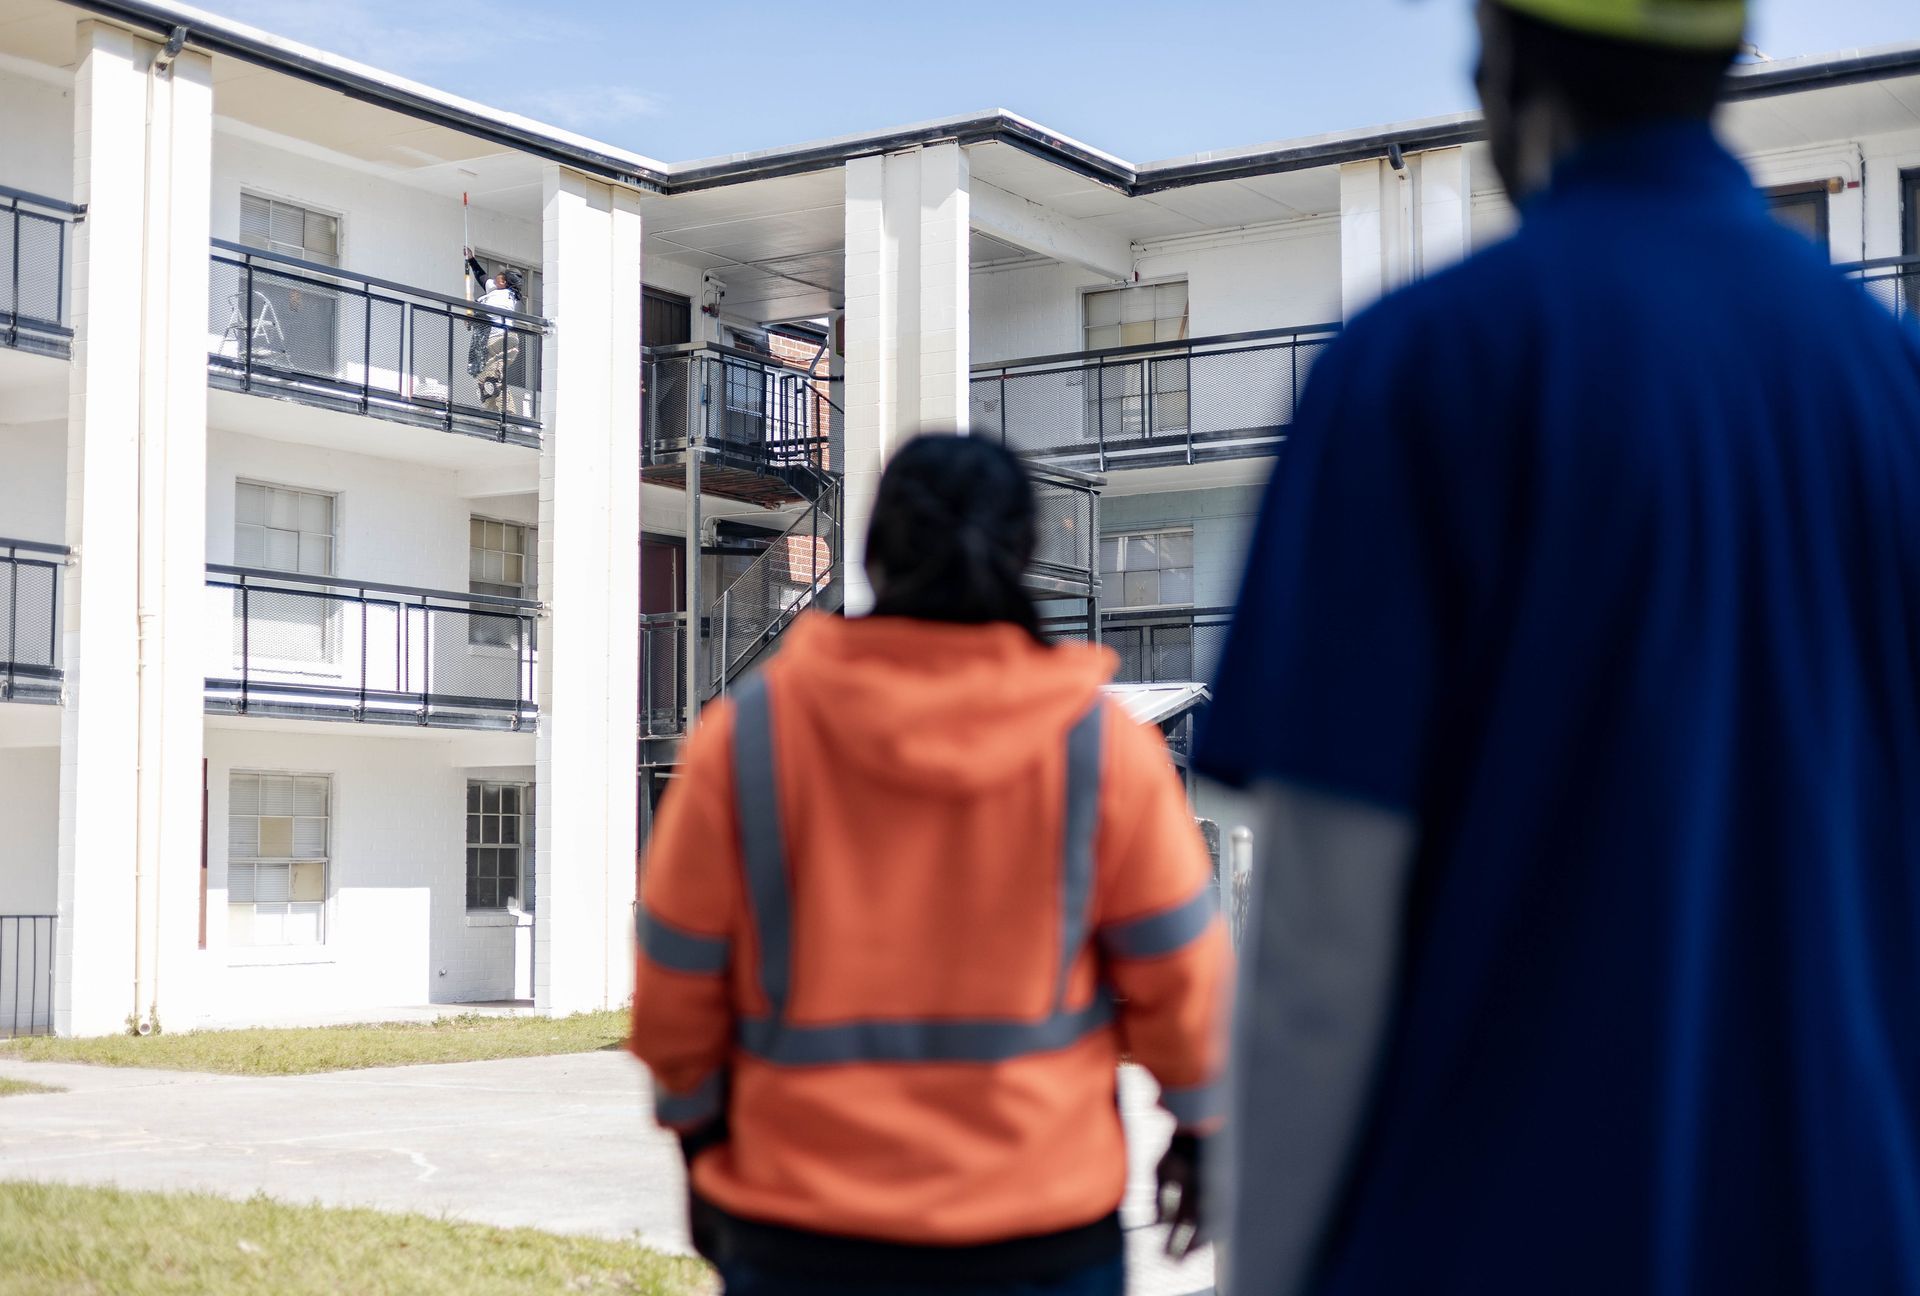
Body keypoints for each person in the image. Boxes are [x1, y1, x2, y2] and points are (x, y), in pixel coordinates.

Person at [1198, 2, 1920, 1293]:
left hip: (1493, 1239)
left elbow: (1321, 940)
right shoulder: (1890, 383)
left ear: (1504, 63)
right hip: (1846, 1229)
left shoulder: (1420, 368)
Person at [631, 434, 1230, 1295]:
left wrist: (699, 1145)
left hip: (802, 1227)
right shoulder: (1101, 752)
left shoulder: (749, 740)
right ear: (1025, 554)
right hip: (1038, 1227)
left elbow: (677, 981)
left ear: (872, 553)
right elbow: (1185, 984)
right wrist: (1202, 1132)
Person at [463, 247, 522, 409]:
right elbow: (482, 278)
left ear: (504, 282)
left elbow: (487, 314)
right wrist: (471, 260)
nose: (494, 279)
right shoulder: (499, 291)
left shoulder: (503, 298)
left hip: (499, 340)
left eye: (498, 277)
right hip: (501, 339)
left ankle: (506, 414)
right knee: (486, 380)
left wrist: (471, 315)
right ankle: (495, 413)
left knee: (491, 378)